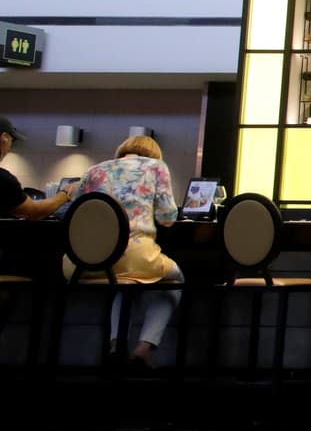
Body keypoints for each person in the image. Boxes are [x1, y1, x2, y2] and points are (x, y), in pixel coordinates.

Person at [64, 135, 182, 368]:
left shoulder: (93, 170)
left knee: (121, 284)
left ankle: (116, 345)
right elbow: (167, 218)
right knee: (175, 281)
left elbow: (75, 214)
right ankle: (144, 347)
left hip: (81, 263)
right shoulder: (156, 167)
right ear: (154, 154)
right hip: (135, 259)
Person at [0, 117, 77, 220]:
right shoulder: (4, 180)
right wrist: (65, 193)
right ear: (4, 138)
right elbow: (35, 212)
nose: (9, 147)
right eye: (12, 140)